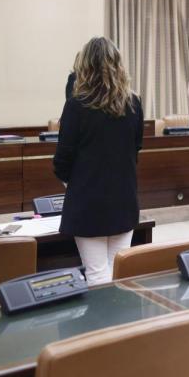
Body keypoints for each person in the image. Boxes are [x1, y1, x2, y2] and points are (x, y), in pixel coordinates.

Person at [53, 37, 143, 285]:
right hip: (123, 199)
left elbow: (62, 160)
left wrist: (77, 182)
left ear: (85, 67)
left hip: (87, 202)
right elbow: (135, 150)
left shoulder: (76, 105)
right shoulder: (133, 103)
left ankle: (103, 325)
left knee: (96, 272)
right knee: (117, 272)